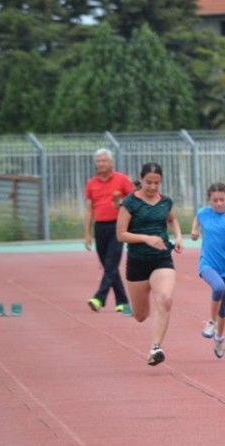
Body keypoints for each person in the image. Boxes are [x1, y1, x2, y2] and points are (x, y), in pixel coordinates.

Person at [116, 163, 183, 366]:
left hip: (161, 258)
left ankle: (156, 348)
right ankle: (149, 317)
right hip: (137, 262)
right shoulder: (130, 203)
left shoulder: (166, 202)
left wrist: (179, 237)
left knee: (165, 299)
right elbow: (121, 235)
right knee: (140, 315)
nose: (153, 187)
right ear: (141, 179)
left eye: (157, 183)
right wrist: (146, 238)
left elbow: (173, 220)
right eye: (148, 182)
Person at [190, 182, 225, 358]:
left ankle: (220, 338)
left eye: (222, 200)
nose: (219, 204)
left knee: (224, 308)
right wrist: (194, 232)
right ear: (209, 200)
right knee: (218, 288)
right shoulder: (203, 213)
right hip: (207, 263)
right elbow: (196, 225)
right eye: (215, 200)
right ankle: (211, 322)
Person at [83, 148, 134, 313]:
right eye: (98, 161)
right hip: (100, 227)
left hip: (118, 226)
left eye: (104, 160)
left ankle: (99, 297)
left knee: (111, 263)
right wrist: (87, 233)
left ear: (111, 162)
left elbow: (135, 199)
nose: (101, 164)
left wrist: (121, 203)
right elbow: (89, 209)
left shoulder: (122, 179)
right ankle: (122, 302)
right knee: (108, 266)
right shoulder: (91, 183)